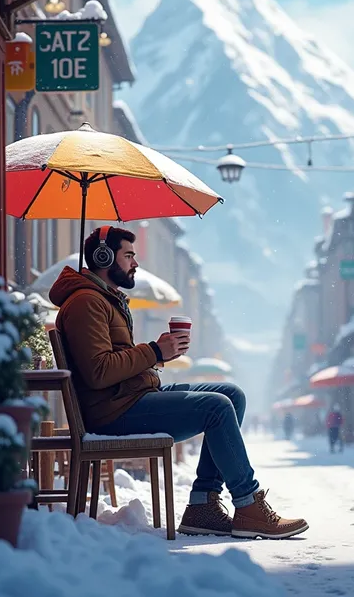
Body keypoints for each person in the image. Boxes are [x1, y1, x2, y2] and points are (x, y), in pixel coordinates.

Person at [49, 226, 309, 540]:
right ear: (104, 257)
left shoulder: (104, 300)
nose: (135, 263)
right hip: (114, 412)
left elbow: (113, 360)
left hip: (129, 398)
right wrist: (154, 351)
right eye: (129, 255)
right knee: (217, 407)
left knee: (231, 394)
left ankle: (202, 506)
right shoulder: (86, 303)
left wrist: (158, 355)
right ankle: (248, 504)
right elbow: (99, 372)